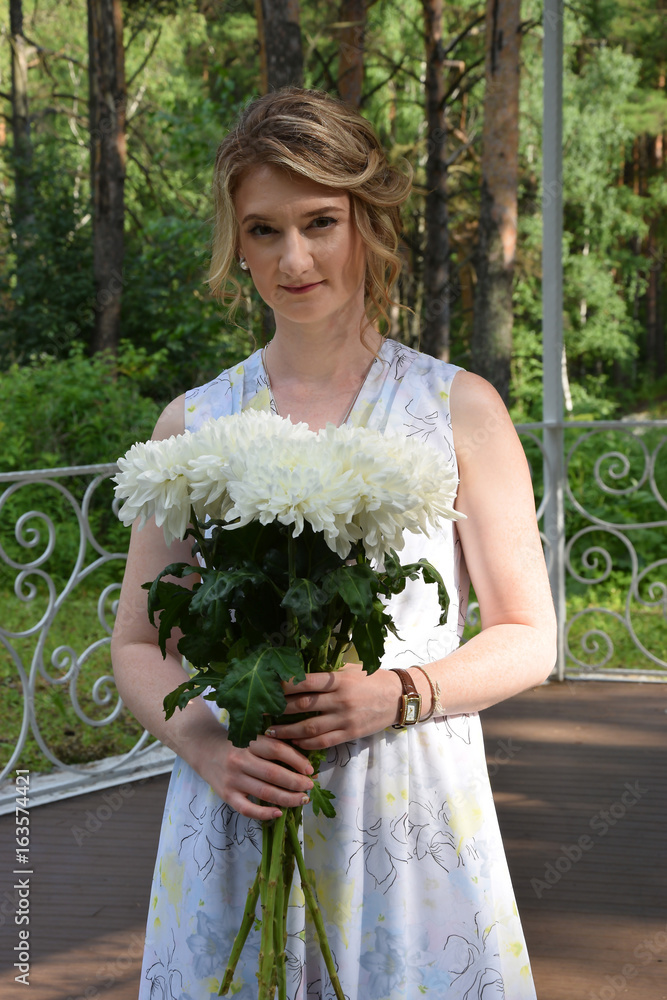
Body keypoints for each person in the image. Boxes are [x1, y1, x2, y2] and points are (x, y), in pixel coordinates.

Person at [111, 87, 556, 1000]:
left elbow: (527, 634)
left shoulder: (456, 409)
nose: (295, 257)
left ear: (368, 222)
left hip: (407, 810)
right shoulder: (192, 422)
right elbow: (136, 643)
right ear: (236, 244)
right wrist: (207, 749)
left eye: (320, 221)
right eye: (263, 230)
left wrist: (396, 694)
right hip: (240, 799)